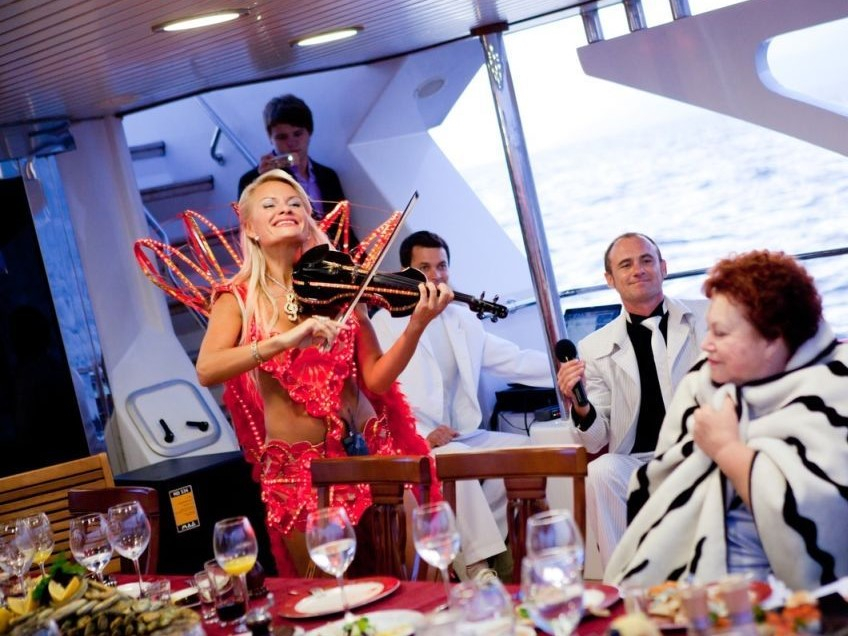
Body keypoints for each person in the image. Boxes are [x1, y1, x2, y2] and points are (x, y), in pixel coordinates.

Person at [196, 170, 451, 576]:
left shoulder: (337, 284)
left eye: (295, 203)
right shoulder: (238, 299)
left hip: (368, 453)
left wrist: (416, 326)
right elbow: (207, 368)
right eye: (270, 204)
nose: (285, 209)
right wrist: (283, 341)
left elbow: (376, 379)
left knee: (416, 579)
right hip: (301, 475)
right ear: (250, 228)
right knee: (332, 597)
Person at [605, 250, 848, 590]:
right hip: (683, 590)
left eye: (720, 334)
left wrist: (727, 450)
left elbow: (826, 523)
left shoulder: (834, 388)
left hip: (793, 600)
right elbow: (658, 486)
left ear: (772, 339)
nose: (706, 344)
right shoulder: (701, 383)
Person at [371, 230, 554, 580]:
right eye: (425, 267)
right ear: (406, 273)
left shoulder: (463, 319)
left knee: (526, 451)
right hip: (413, 440)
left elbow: (514, 360)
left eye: (442, 266)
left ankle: (488, 549)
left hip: (461, 434)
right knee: (458, 462)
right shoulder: (385, 323)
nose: (436, 275)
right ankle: (475, 567)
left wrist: (568, 369)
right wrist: (422, 435)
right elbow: (379, 395)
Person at [556, 232, 707, 570]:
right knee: (602, 470)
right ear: (610, 279)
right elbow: (595, 440)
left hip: (702, 449)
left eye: (646, 260)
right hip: (641, 459)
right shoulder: (594, 347)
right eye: (625, 264)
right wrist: (580, 403)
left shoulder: (706, 317)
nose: (638, 270)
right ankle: (623, 581)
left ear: (663, 268)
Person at [237, 94, 357, 249]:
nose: (292, 142)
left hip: (331, 255)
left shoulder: (328, 176)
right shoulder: (253, 180)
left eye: (298, 134)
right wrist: (263, 182)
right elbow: (252, 234)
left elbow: (344, 228)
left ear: (309, 132)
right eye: (282, 137)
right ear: (270, 138)